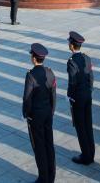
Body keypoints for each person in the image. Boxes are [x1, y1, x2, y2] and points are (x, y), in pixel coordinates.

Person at [23, 43, 56, 183]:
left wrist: (27, 114)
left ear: (33, 58)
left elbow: (27, 98)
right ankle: (51, 175)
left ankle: (43, 177)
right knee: (49, 143)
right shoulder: (50, 72)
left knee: (39, 146)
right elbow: (53, 95)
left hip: (36, 116)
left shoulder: (30, 75)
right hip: (48, 112)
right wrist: (51, 111)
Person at [66, 31, 94, 165]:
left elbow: (72, 82)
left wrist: (70, 96)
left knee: (80, 127)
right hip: (87, 94)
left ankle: (86, 156)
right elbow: (91, 77)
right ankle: (91, 153)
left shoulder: (71, 61)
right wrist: (89, 90)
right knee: (88, 125)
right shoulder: (86, 58)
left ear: (72, 45)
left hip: (78, 98)